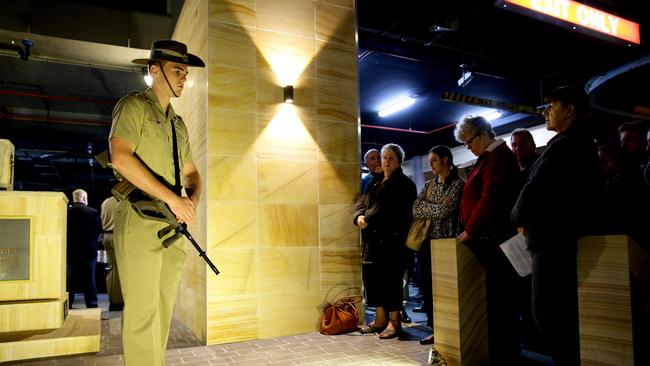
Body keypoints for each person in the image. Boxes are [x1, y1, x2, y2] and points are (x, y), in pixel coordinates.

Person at [109, 40, 203, 366]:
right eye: (178, 70)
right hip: (138, 218)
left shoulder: (178, 123)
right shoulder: (133, 106)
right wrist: (174, 200)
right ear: (154, 70)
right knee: (142, 311)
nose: (183, 78)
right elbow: (120, 157)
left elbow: (192, 173)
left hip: (172, 225)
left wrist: (190, 203)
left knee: (163, 307)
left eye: (185, 73)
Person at [512, 86, 602, 365]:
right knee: (556, 314)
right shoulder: (576, 143)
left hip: (552, 240)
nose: (545, 111)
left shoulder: (566, 144)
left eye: (551, 105)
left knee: (549, 313)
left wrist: (518, 217)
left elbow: (535, 190)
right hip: (556, 237)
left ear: (570, 109)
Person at [454, 115, 521, 365]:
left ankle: (505, 355)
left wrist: (470, 229)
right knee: (495, 301)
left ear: (483, 134)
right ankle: (499, 352)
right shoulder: (488, 157)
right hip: (487, 237)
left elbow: (490, 197)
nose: (468, 146)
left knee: (501, 302)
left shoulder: (498, 156)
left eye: (469, 141)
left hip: (495, 238)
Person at [353, 143, 417, 339]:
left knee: (391, 281)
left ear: (399, 161)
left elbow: (390, 211)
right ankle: (380, 320)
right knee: (374, 280)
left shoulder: (405, 184)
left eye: (390, 157)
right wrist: (358, 217)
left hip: (393, 243)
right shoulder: (375, 182)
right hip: (373, 242)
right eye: (384, 157)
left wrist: (368, 218)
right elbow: (361, 203)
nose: (386, 161)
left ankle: (394, 321)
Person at [411, 145, 464, 345]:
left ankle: (449, 329)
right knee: (428, 287)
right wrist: (437, 207)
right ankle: (435, 329)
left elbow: (446, 210)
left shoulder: (458, 184)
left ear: (445, 160)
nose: (430, 163)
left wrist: (432, 208)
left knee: (447, 289)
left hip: (448, 242)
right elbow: (416, 208)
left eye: (433, 159)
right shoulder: (429, 185)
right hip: (427, 243)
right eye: (429, 160)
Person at [66, 188, 102, 309]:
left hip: (71, 250)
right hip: (88, 250)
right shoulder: (92, 212)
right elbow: (98, 230)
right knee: (90, 278)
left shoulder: (66, 212)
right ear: (85, 198)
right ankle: (91, 302)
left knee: (70, 279)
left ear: (74, 198)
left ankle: (69, 302)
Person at [100, 196, 123, 311]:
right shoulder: (122, 202)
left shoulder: (106, 202)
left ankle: (113, 299)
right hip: (118, 236)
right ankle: (119, 300)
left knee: (111, 268)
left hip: (106, 236)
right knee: (121, 270)